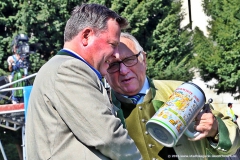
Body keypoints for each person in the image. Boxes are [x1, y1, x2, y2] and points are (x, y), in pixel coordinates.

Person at [26, 4, 142, 160]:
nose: (116, 55)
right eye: (113, 45)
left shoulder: (61, 68)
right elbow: (107, 136)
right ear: (86, 36)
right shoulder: (69, 69)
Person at [104, 32, 240, 160]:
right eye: (113, 65)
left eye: (129, 59)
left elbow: (235, 141)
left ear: (144, 60)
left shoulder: (183, 92)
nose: (123, 71)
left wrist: (215, 129)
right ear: (104, 70)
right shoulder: (102, 107)